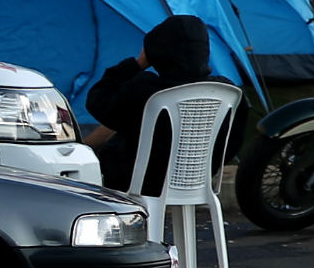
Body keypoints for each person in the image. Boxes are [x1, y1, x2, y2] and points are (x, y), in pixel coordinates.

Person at [80, 16, 216, 193]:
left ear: (157, 51)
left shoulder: (147, 91)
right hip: (196, 181)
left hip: (140, 180)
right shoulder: (225, 93)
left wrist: (137, 64)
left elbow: (98, 102)